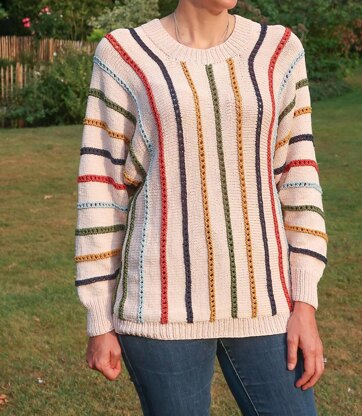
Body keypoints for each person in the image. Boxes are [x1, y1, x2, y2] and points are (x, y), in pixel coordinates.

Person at [74, 0, 329, 414]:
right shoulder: (124, 54)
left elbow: (298, 179)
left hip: (268, 302)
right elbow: (101, 189)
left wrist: (305, 301)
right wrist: (99, 317)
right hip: (159, 309)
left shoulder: (279, 50)